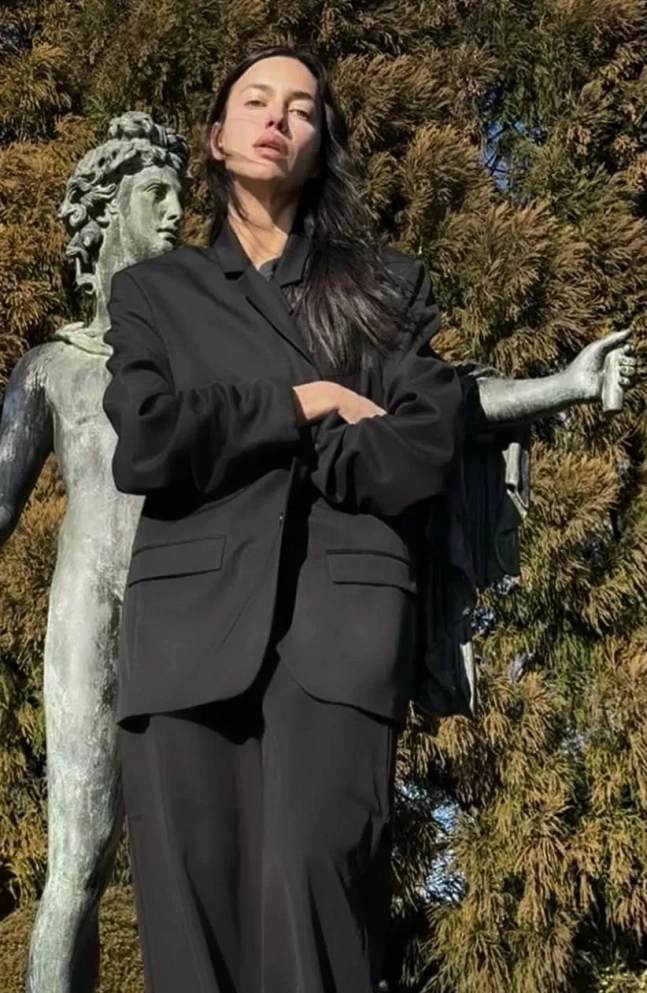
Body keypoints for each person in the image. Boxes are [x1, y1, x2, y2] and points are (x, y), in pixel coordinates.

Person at [101, 44, 464, 993]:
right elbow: (147, 441)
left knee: (318, 898)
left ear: (320, 142)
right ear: (215, 138)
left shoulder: (387, 287)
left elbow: (422, 443)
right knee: (193, 930)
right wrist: (308, 401)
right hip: (184, 636)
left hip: (340, 628)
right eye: (256, 101)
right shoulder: (155, 293)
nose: (277, 118)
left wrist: (310, 445)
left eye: (301, 108)